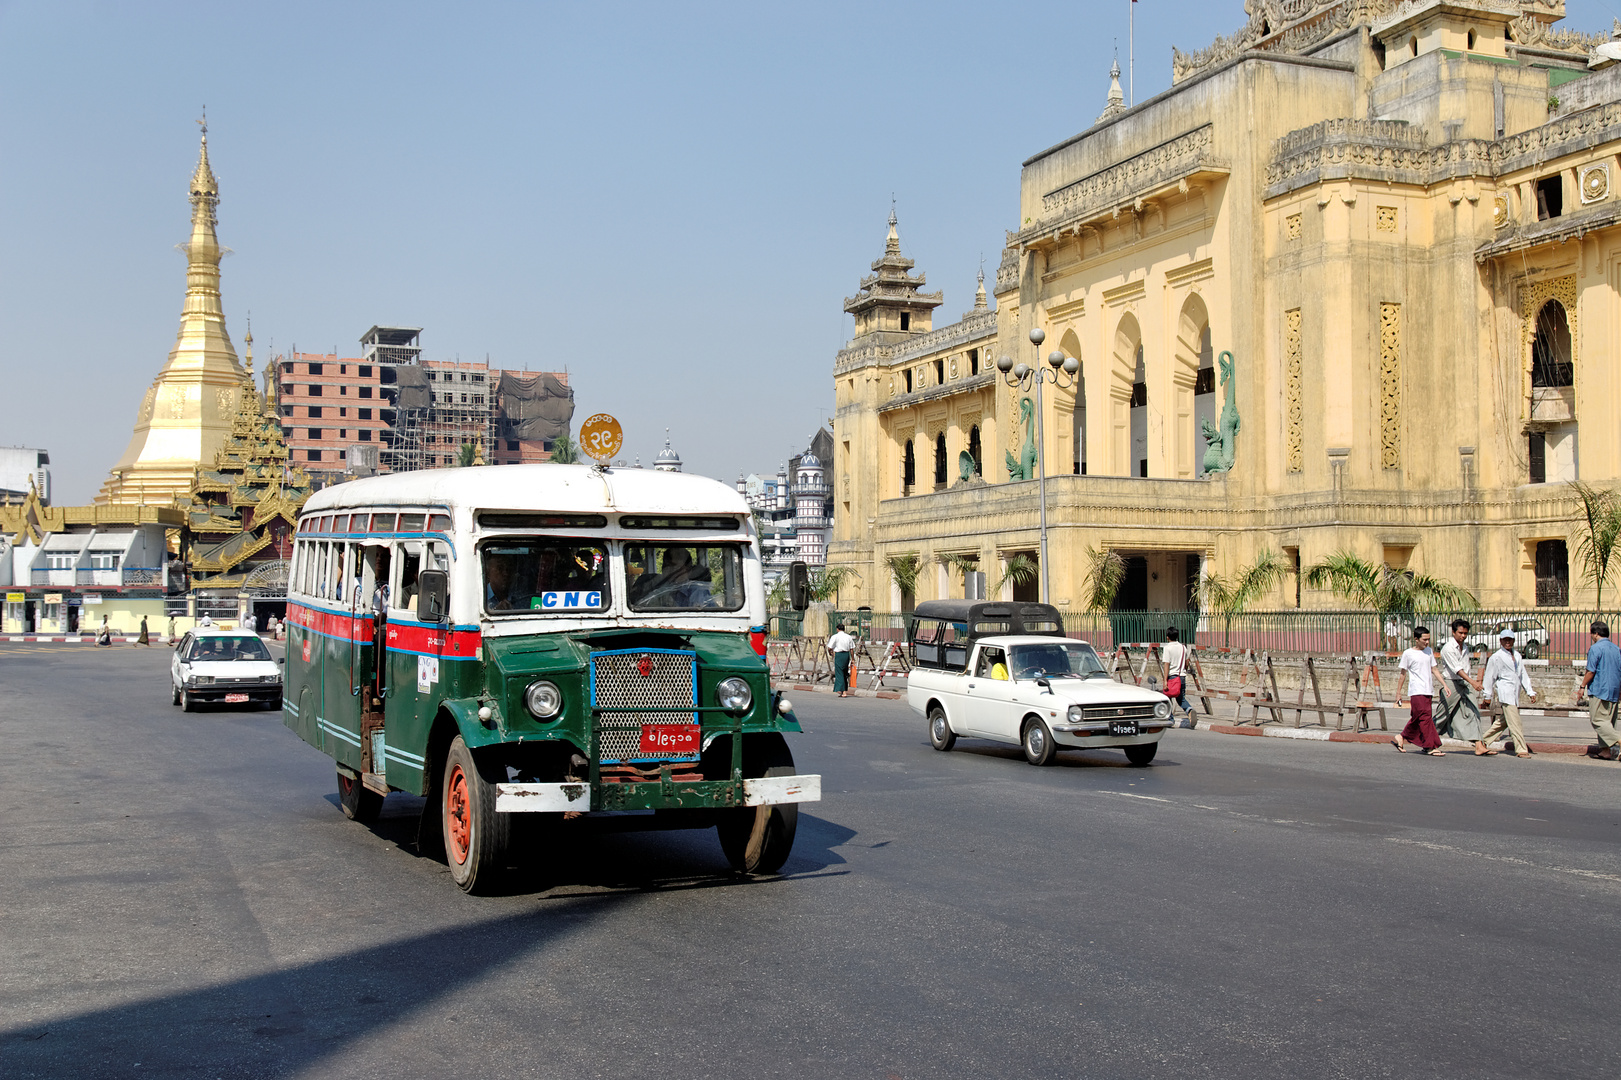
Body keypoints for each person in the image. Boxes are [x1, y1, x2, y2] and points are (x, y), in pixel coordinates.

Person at [1437, 618, 1494, 755]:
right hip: (1452, 683)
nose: (1463, 636)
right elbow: (1457, 669)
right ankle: (1426, 739)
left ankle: (1479, 746)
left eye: (1465, 633)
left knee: (1473, 711)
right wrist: (1473, 682)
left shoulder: (1465, 646)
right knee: (1442, 715)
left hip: (1464, 683)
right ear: (1453, 632)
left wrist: (1470, 682)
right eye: (1460, 633)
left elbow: (1465, 667)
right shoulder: (1448, 649)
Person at [1480, 629, 1537, 758]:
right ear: (1500, 641)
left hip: (1515, 693)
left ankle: (1482, 741)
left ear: (1513, 640)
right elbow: (1489, 677)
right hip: (1505, 693)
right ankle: (1521, 749)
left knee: (1503, 722)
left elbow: (1522, 674)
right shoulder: (1496, 657)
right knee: (1515, 723)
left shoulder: (1517, 655)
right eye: (1505, 639)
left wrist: (1530, 691)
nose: (1507, 642)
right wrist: (1487, 696)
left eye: (1510, 639)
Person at [1393, 626, 1446, 756]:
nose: (1427, 642)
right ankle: (1430, 746)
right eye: (1424, 639)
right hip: (1416, 690)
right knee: (1425, 718)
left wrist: (1444, 684)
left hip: (1428, 689)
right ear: (1416, 639)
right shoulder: (1408, 653)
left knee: (1419, 717)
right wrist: (1398, 693)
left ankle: (1402, 736)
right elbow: (1403, 674)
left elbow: (1434, 669)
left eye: (1428, 639)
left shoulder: (1429, 651)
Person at [1577, 620, 1621, 760]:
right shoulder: (1616, 649)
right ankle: (1606, 751)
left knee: (1597, 720)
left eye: (1591, 633)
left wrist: (1582, 686)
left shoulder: (1595, 648)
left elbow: (1591, 671)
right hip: (1614, 689)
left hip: (1600, 689)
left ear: (1596, 634)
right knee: (1608, 721)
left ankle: (1617, 741)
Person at [1161, 626, 1196, 721]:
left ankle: (1170, 719)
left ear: (1167, 637)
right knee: (1181, 698)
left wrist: (1165, 681)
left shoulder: (1167, 648)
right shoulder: (1183, 647)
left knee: (1167, 698)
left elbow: (1166, 665)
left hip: (1172, 677)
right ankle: (1189, 709)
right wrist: (1183, 669)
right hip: (1182, 676)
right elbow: (1187, 661)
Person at [827, 621, 856, 697]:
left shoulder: (835, 636)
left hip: (839, 655)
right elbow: (852, 649)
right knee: (844, 672)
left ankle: (843, 691)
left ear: (837, 629)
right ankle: (842, 689)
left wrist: (830, 652)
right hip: (846, 655)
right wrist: (852, 659)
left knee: (839, 673)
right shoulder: (848, 637)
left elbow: (829, 647)